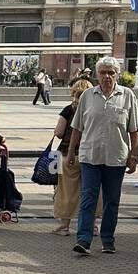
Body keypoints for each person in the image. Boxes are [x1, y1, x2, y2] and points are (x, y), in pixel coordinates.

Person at [66, 56, 138, 256]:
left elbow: (134, 130)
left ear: (117, 75)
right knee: (88, 197)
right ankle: (84, 239)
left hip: (116, 157)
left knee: (112, 200)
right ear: (97, 74)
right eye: (103, 72)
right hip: (90, 155)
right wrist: (72, 151)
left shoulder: (127, 95)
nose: (107, 76)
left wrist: (134, 156)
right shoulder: (87, 95)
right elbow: (77, 128)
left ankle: (108, 239)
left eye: (111, 72)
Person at [51, 79, 94, 234]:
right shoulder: (94, 109)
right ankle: (92, 226)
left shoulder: (69, 110)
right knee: (91, 191)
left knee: (66, 191)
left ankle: (65, 226)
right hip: (90, 155)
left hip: (67, 155)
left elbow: (59, 132)